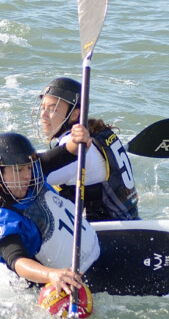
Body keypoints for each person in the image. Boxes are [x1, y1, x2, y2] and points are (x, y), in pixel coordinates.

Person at [0, 131, 100, 294]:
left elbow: (63, 154)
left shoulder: (31, 175)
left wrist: (78, 141)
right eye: (20, 170)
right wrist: (52, 275)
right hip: (54, 284)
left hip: (93, 254)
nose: (27, 175)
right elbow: (17, 261)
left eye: (28, 167)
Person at [31, 77, 139, 222]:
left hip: (107, 237)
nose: (43, 115)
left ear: (74, 114)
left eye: (52, 109)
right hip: (131, 223)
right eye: (43, 107)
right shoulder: (98, 135)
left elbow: (28, 177)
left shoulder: (80, 152)